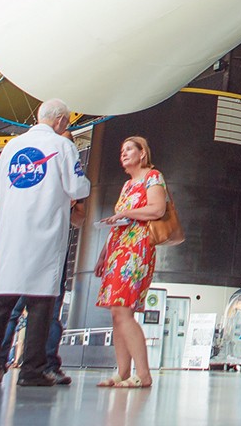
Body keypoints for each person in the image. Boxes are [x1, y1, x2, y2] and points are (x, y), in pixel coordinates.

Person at [0, 98, 90, 388]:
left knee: (0, 302)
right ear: (62, 121)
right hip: (45, 231)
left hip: (12, 233)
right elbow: (77, 186)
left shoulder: (12, 146)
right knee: (41, 303)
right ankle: (32, 370)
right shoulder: (64, 146)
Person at [96, 136, 168, 388]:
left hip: (137, 248)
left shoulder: (153, 177)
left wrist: (127, 213)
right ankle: (123, 371)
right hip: (118, 248)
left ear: (142, 154)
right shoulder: (127, 186)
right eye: (121, 150)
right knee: (116, 312)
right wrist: (104, 253)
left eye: (129, 149)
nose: (123, 154)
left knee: (123, 310)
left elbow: (157, 209)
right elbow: (119, 221)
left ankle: (144, 373)